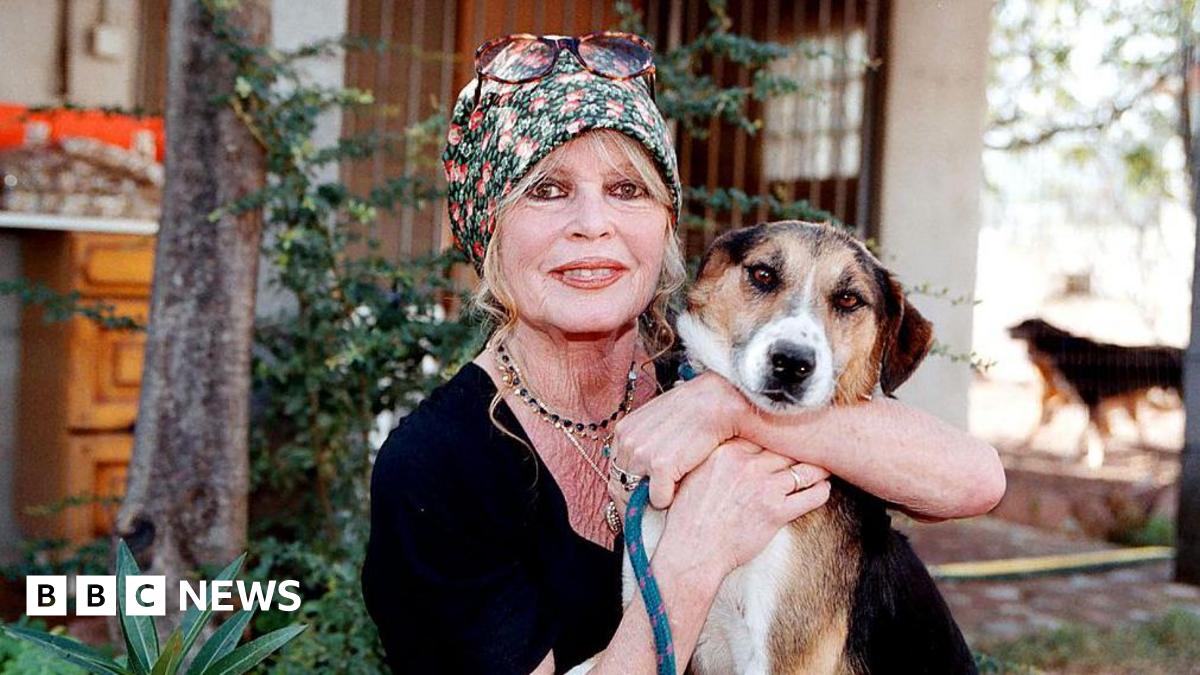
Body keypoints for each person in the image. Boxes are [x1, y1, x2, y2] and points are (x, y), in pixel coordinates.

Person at [360, 32, 1006, 675]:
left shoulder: (716, 369)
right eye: (547, 189)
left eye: (627, 189)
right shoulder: (437, 466)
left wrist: (730, 409)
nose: (593, 223)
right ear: (487, 229)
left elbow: (973, 480)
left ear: (666, 221)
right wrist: (691, 562)